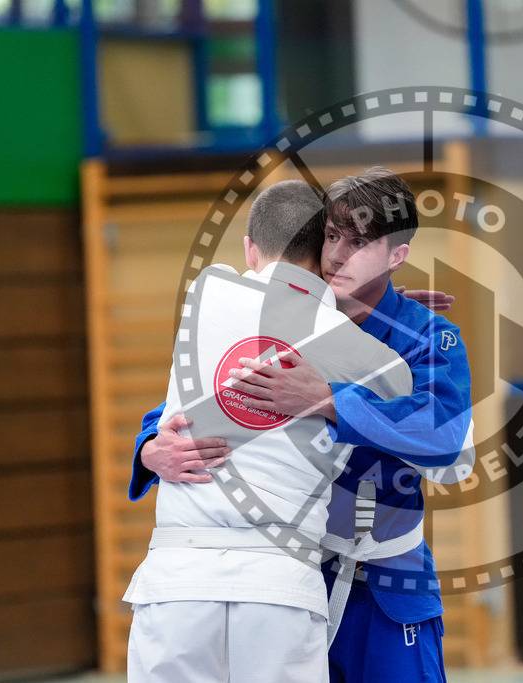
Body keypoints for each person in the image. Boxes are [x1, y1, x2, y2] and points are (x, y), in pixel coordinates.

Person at [133, 167, 475, 683]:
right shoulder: (278, 312)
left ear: (396, 255)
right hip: (295, 574)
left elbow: (445, 437)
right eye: (332, 236)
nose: (338, 254)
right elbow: (210, 396)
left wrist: (330, 400)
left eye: (360, 242)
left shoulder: (426, 335)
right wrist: (149, 448)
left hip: (384, 581)